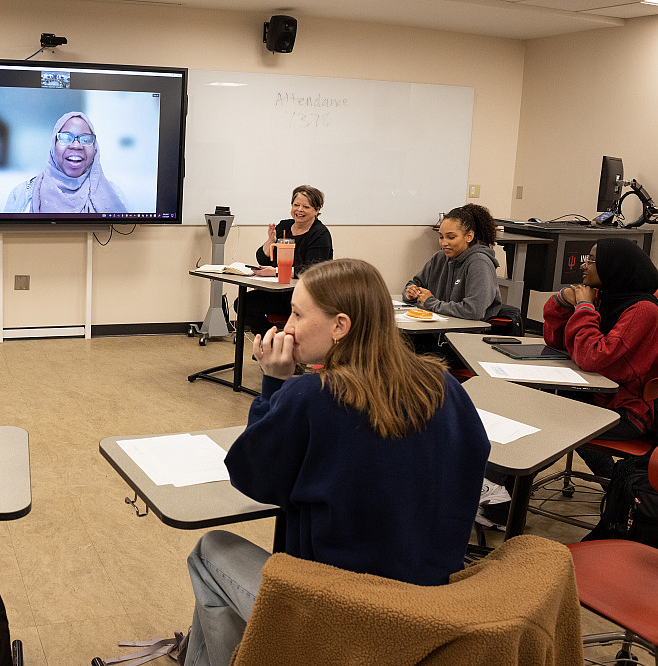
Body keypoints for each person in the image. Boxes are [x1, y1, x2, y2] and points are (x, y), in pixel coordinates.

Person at [183, 258, 491, 666]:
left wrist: (274, 383)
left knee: (209, 551)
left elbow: (251, 477)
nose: (287, 327)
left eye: (296, 314)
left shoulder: (310, 395)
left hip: (338, 611)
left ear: (340, 326)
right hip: (430, 605)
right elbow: (474, 458)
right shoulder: (445, 386)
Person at [543, 238, 658, 478]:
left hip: (626, 412)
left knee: (550, 428)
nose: (583, 265)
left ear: (614, 267)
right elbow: (556, 341)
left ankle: (501, 498)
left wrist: (583, 308)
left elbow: (593, 357)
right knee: (540, 406)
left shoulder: (643, 310)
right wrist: (562, 300)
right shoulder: (604, 298)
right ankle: (613, 486)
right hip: (594, 396)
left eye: (591, 261)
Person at [242, 185, 332, 335]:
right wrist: (270, 241)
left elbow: (312, 270)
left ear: (316, 210)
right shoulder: (284, 226)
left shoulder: (320, 234)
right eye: (296, 205)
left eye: (306, 207)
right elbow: (262, 258)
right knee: (244, 303)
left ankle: (281, 345)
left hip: (308, 296)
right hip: (281, 292)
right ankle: (272, 341)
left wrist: (276, 272)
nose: (299, 210)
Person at [4, 111, 128, 214]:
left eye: (86, 139)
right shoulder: (23, 194)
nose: (76, 145)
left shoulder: (113, 193)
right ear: (54, 145)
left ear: (95, 148)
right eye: (65, 137)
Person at [403, 203, 504, 321]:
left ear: (469, 236)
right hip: (440, 328)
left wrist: (431, 302)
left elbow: (474, 311)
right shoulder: (440, 257)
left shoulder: (479, 263)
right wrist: (410, 292)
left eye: (451, 237)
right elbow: (415, 283)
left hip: (465, 334)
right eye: (441, 237)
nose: (444, 243)